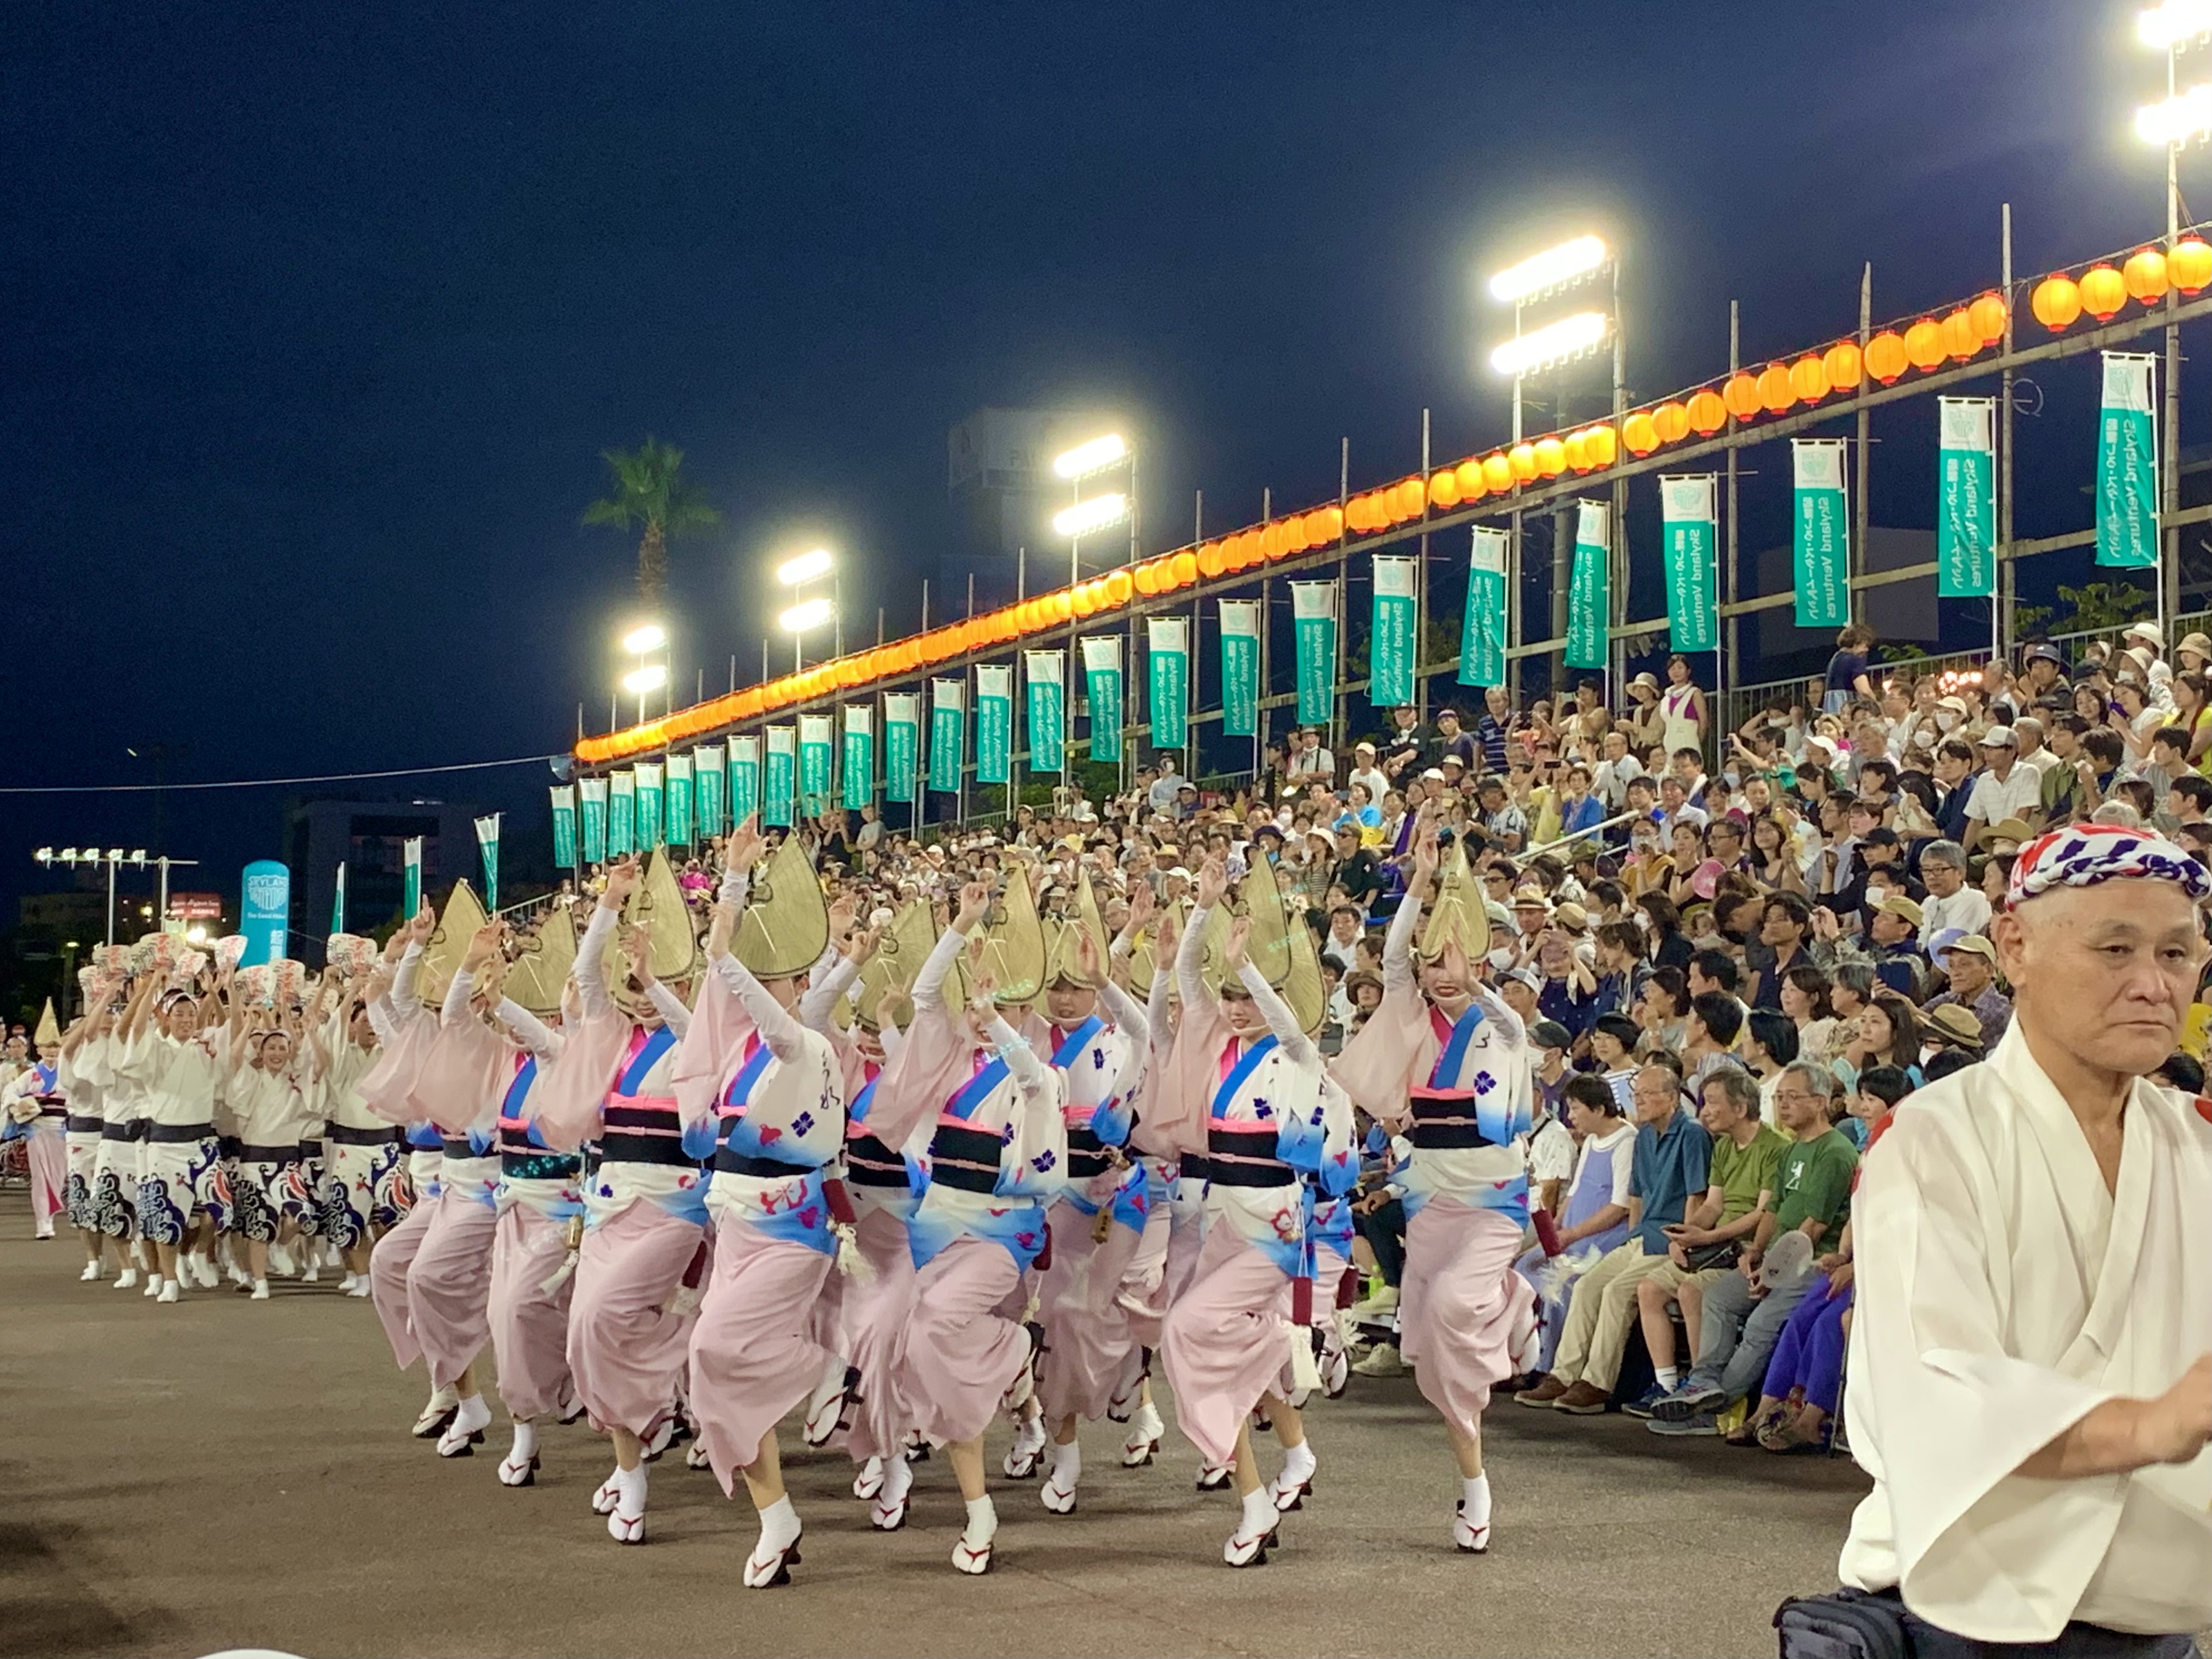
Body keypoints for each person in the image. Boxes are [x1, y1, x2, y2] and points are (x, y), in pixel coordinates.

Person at [1827, 822, 2211, 1651]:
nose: (2153, 985)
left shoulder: (2199, 1143)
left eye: (2177, 956)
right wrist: (2155, 1424)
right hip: (1961, 1620)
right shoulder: (1931, 1139)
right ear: (2015, 946)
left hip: (2161, 1621)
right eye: (2116, 949)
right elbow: (1938, 1394)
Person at [1335, 817, 1536, 1554]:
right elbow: (1391, 965)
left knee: (1455, 1304)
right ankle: (1475, 1480)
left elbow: (1511, 1026)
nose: (1442, 977)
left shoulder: (1501, 1028)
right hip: (1429, 1200)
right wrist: (1416, 883)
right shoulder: (1412, 1020)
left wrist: (1480, 985)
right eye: (1433, 967)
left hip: (1492, 1201)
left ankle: (1514, 1301)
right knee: (1434, 1350)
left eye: (1457, 965)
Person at [1157, 854, 1353, 1567]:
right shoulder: (1216, 1050)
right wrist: (1204, 909)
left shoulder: (1300, 1059)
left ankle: (1256, 1493)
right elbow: (1186, 981)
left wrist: (1253, 972)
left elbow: (1288, 1024)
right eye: (1230, 996)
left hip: (1275, 1231)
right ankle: (1285, 1464)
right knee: (1217, 1350)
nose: (1236, 1008)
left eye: (1247, 999)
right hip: (1223, 1221)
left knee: (1192, 1331)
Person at [872, 875, 1069, 1576]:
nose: (986, 1010)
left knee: (932, 1332)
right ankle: (978, 1507)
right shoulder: (950, 1057)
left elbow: (1037, 1085)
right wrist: (958, 925)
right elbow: (926, 997)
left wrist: (1000, 1022)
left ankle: (1015, 1347)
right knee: (915, 1348)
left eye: (1005, 1001)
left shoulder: (1038, 1071)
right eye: (982, 999)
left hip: (999, 1236)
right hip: (935, 1225)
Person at [678, 822, 849, 1584]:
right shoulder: (737, 1054)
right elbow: (721, 980)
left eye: (777, 976)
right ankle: (775, 1519)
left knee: (715, 1350)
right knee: (717, 1377)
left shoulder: (803, 1044)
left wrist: (734, 886)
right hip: (738, 1226)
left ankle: (829, 1368)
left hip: (791, 1233)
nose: (760, 983)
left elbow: (725, 963)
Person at [1649, 1058, 1857, 1434]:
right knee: (1717, 1298)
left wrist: (1772, 1272)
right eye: (1779, 1097)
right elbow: (1772, 1212)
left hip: (1810, 1266)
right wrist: (1755, 1254)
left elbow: (1813, 1227)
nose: (1783, 1105)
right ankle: (1702, 1384)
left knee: (1761, 1322)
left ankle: (1714, 1405)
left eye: (1794, 1097)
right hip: (1777, 1260)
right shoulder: (1792, 1150)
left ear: (1821, 1102)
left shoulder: (1835, 1152)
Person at [1515, 1061, 1710, 1415]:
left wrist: (1683, 1242)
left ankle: (1597, 1383)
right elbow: (1636, 1199)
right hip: (1642, 1235)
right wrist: (1631, 1238)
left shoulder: (1692, 1134)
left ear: (1671, 1098)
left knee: (1616, 1291)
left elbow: (1696, 1197)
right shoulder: (1647, 1136)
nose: (1640, 1101)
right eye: (1636, 1095)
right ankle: (1562, 1373)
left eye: (1648, 1095)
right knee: (1589, 1285)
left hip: (1671, 1239)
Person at [1629, 1063, 1786, 1412]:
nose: (1704, 1112)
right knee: (1649, 1289)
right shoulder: (1725, 1147)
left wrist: (1705, 1236)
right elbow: (1713, 1204)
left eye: (1713, 1102)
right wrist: (1686, 1236)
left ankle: (1701, 1388)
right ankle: (1668, 1384)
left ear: (1741, 1108)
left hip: (1742, 1248)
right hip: (1714, 1244)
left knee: (1690, 1290)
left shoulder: (1775, 1146)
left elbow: (1762, 1214)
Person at [1824, 623, 1877, 716]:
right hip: (1846, 705)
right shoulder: (1855, 660)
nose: (1867, 650)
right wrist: (1878, 706)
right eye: (1865, 646)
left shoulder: (1835, 658)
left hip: (1831, 706)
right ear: (1857, 642)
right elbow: (1864, 690)